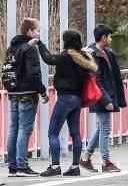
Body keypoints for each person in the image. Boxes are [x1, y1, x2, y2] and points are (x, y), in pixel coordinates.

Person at [36, 29, 97, 177]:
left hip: (65, 98)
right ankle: (75, 166)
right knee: (75, 133)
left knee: (53, 132)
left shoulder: (66, 57)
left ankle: (55, 166)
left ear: (67, 41)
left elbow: (48, 58)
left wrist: (39, 44)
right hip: (77, 100)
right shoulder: (84, 58)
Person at [4, 18, 48, 177]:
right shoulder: (30, 49)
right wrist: (42, 91)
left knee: (14, 129)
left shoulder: (11, 48)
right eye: (37, 30)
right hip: (27, 94)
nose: (38, 34)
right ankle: (22, 166)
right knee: (24, 129)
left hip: (13, 93)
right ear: (29, 31)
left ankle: (13, 167)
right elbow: (33, 74)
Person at [81, 24, 127, 174]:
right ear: (103, 37)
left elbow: (114, 77)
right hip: (100, 97)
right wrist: (106, 100)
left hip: (107, 95)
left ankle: (86, 157)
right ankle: (106, 162)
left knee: (102, 127)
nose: (111, 39)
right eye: (109, 36)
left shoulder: (107, 52)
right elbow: (96, 80)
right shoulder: (93, 54)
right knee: (106, 128)